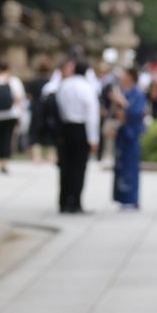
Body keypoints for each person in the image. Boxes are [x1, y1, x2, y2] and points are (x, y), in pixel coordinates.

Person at [55, 60, 101, 213]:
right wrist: (93, 139)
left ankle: (63, 201)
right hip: (80, 129)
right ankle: (75, 202)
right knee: (79, 168)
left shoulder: (64, 85)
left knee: (65, 167)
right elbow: (92, 115)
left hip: (65, 128)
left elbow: (59, 107)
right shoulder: (87, 88)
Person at [110, 67, 147, 209]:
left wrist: (123, 102)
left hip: (132, 134)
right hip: (122, 133)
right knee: (121, 166)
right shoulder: (123, 91)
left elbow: (137, 113)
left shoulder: (137, 94)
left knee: (131, 167)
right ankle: (122, 198)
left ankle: (132, 199)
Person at [0, 60, 26, 174]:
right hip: (11, 114)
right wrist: (21, 115)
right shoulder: (14, 81)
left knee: (0, 137)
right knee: (8, 138)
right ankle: (6, 163)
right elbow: (19, 99)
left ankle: (0, 162)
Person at [25, 59, 56, 164]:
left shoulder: (33, 82)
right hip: (48, 111)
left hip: (36, 110)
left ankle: (36, 158)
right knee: (50, 132)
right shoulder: (51, 82)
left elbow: (29, 96)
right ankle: (51, 156)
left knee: (35, 133)